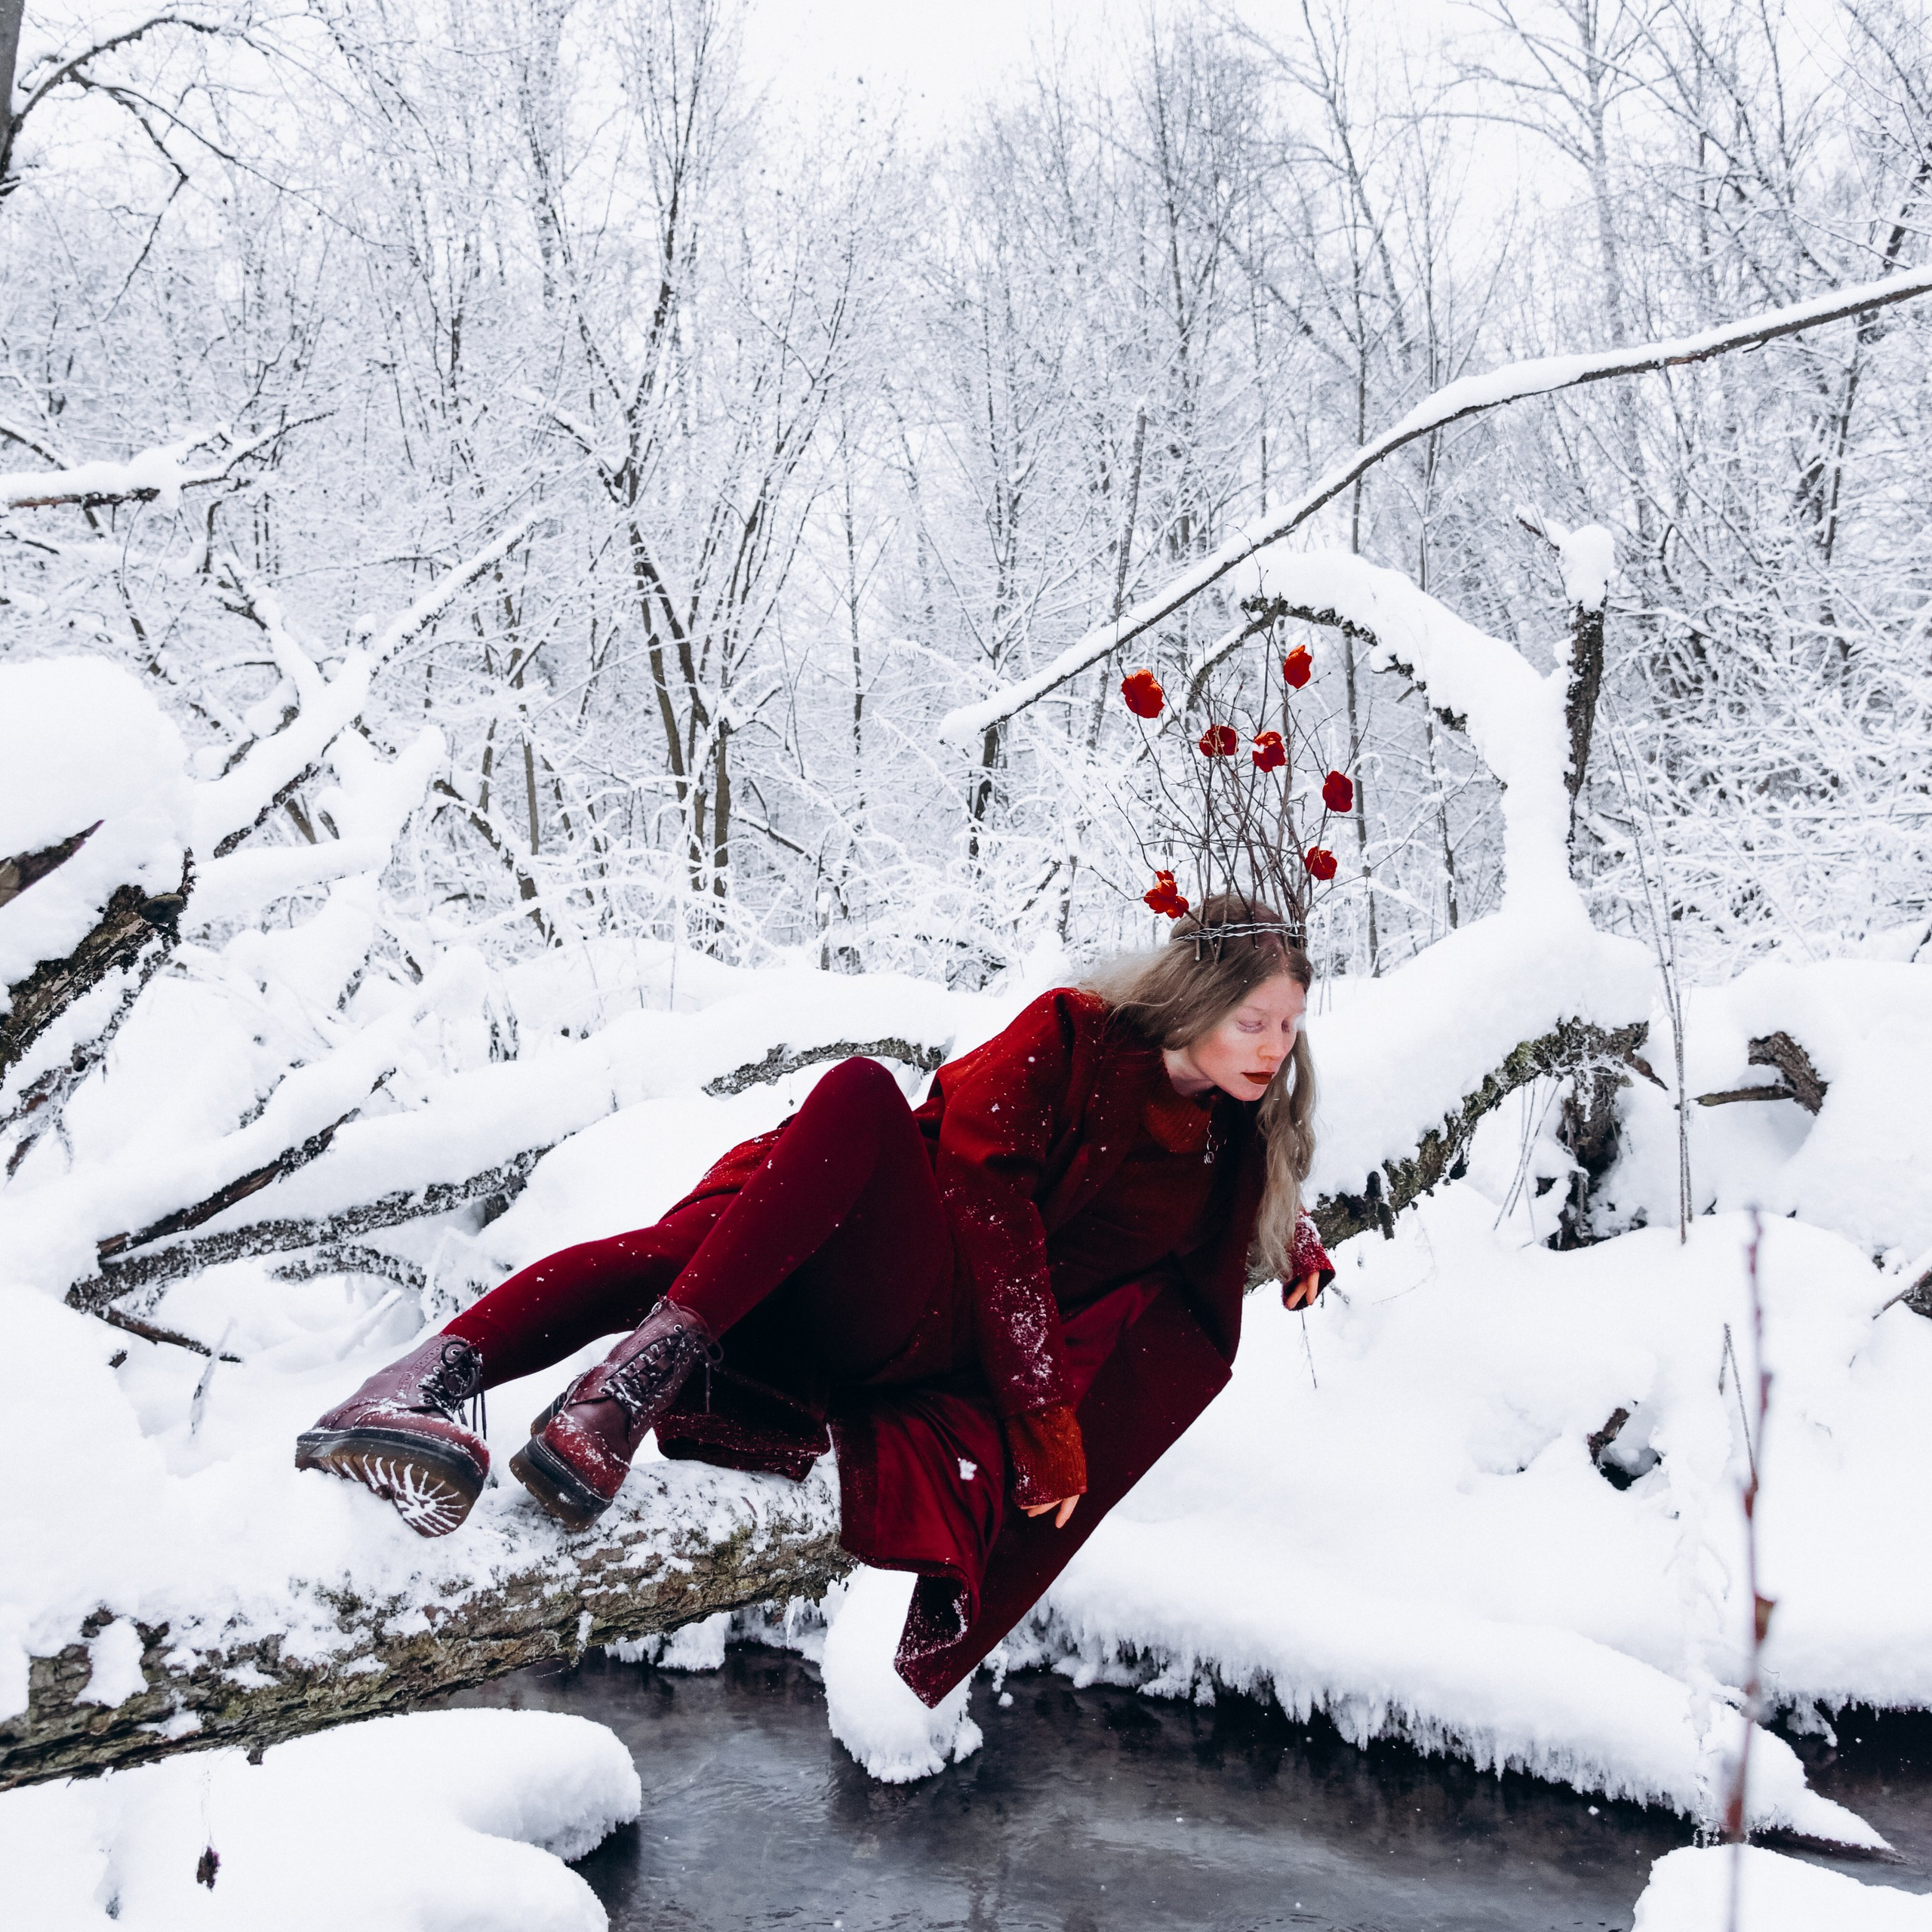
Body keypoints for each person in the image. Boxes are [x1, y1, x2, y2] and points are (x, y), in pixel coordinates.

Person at [295, 895, 1331, 1706]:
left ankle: (612, 1399)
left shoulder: (1233, 1145)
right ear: (1194, 1001)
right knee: (737, 1202)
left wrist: (1294, 1236)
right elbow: (982, 1191)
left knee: (786, 1163)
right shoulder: (1073, 1038)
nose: (1274, 1048)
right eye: (1254, 1021)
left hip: (930, 1344)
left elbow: (1198, 1239)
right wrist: (1041, 1404)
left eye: (1288, 1026)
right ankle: (419, 1387)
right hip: (903, 1255)